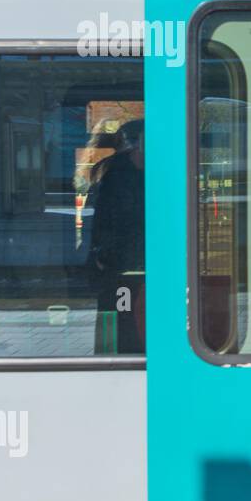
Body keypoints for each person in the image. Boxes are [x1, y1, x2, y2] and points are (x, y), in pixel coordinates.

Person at [84, 118, 145, 354]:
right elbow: (118, 222)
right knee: (126, 324)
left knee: (119, 321)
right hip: (123, 265)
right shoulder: (121, 175)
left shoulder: (109, 170)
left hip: (116, 264)